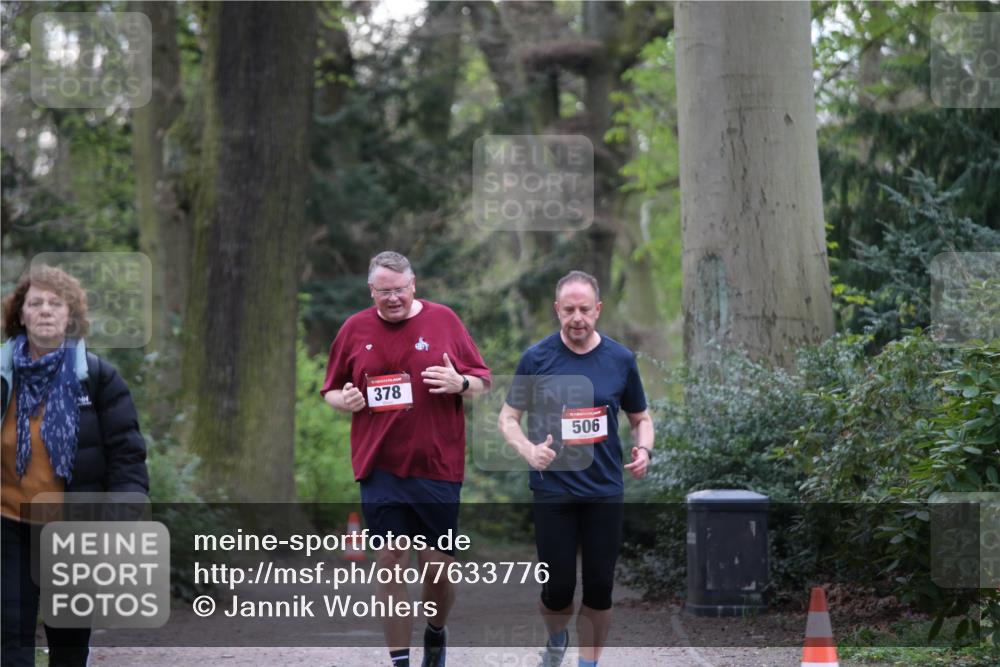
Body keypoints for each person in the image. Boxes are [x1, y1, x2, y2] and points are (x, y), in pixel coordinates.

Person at [321, 251, 491, 667]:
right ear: (372, 291)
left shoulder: (444, 321)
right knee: (390, 560)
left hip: (437, 465)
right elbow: (330, 390)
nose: (393, 298)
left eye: (399, 289)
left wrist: (459, 382)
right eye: (384, 291)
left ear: (413, 285)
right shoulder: (354, 328)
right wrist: (346, 399)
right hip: (380, 465)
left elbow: (482, 382)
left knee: (436, 571)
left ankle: (435, 631)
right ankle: (399, 660)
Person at [497, 270, 654, 667]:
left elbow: (641, 418)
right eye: (569, 310)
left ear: (598, 310)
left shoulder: (620, 359)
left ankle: (589, 663)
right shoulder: (537, 358)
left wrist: (644, 450)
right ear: (557, 310)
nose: (577, 318)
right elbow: (507, 418)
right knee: (558, 590)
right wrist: (529, 451)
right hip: (554, 492)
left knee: (600, 588)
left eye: (585, 309)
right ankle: (555, 639)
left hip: (604, 490)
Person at [1, 265, 149, 667]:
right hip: (8, 523)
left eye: (55, 303)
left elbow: (126, 454)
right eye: (36, 303)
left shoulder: (97, 378)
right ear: (21, 314)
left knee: (69, 640)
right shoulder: (2, 376)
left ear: (71, 316)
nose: (45, 311)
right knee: (9, 634)